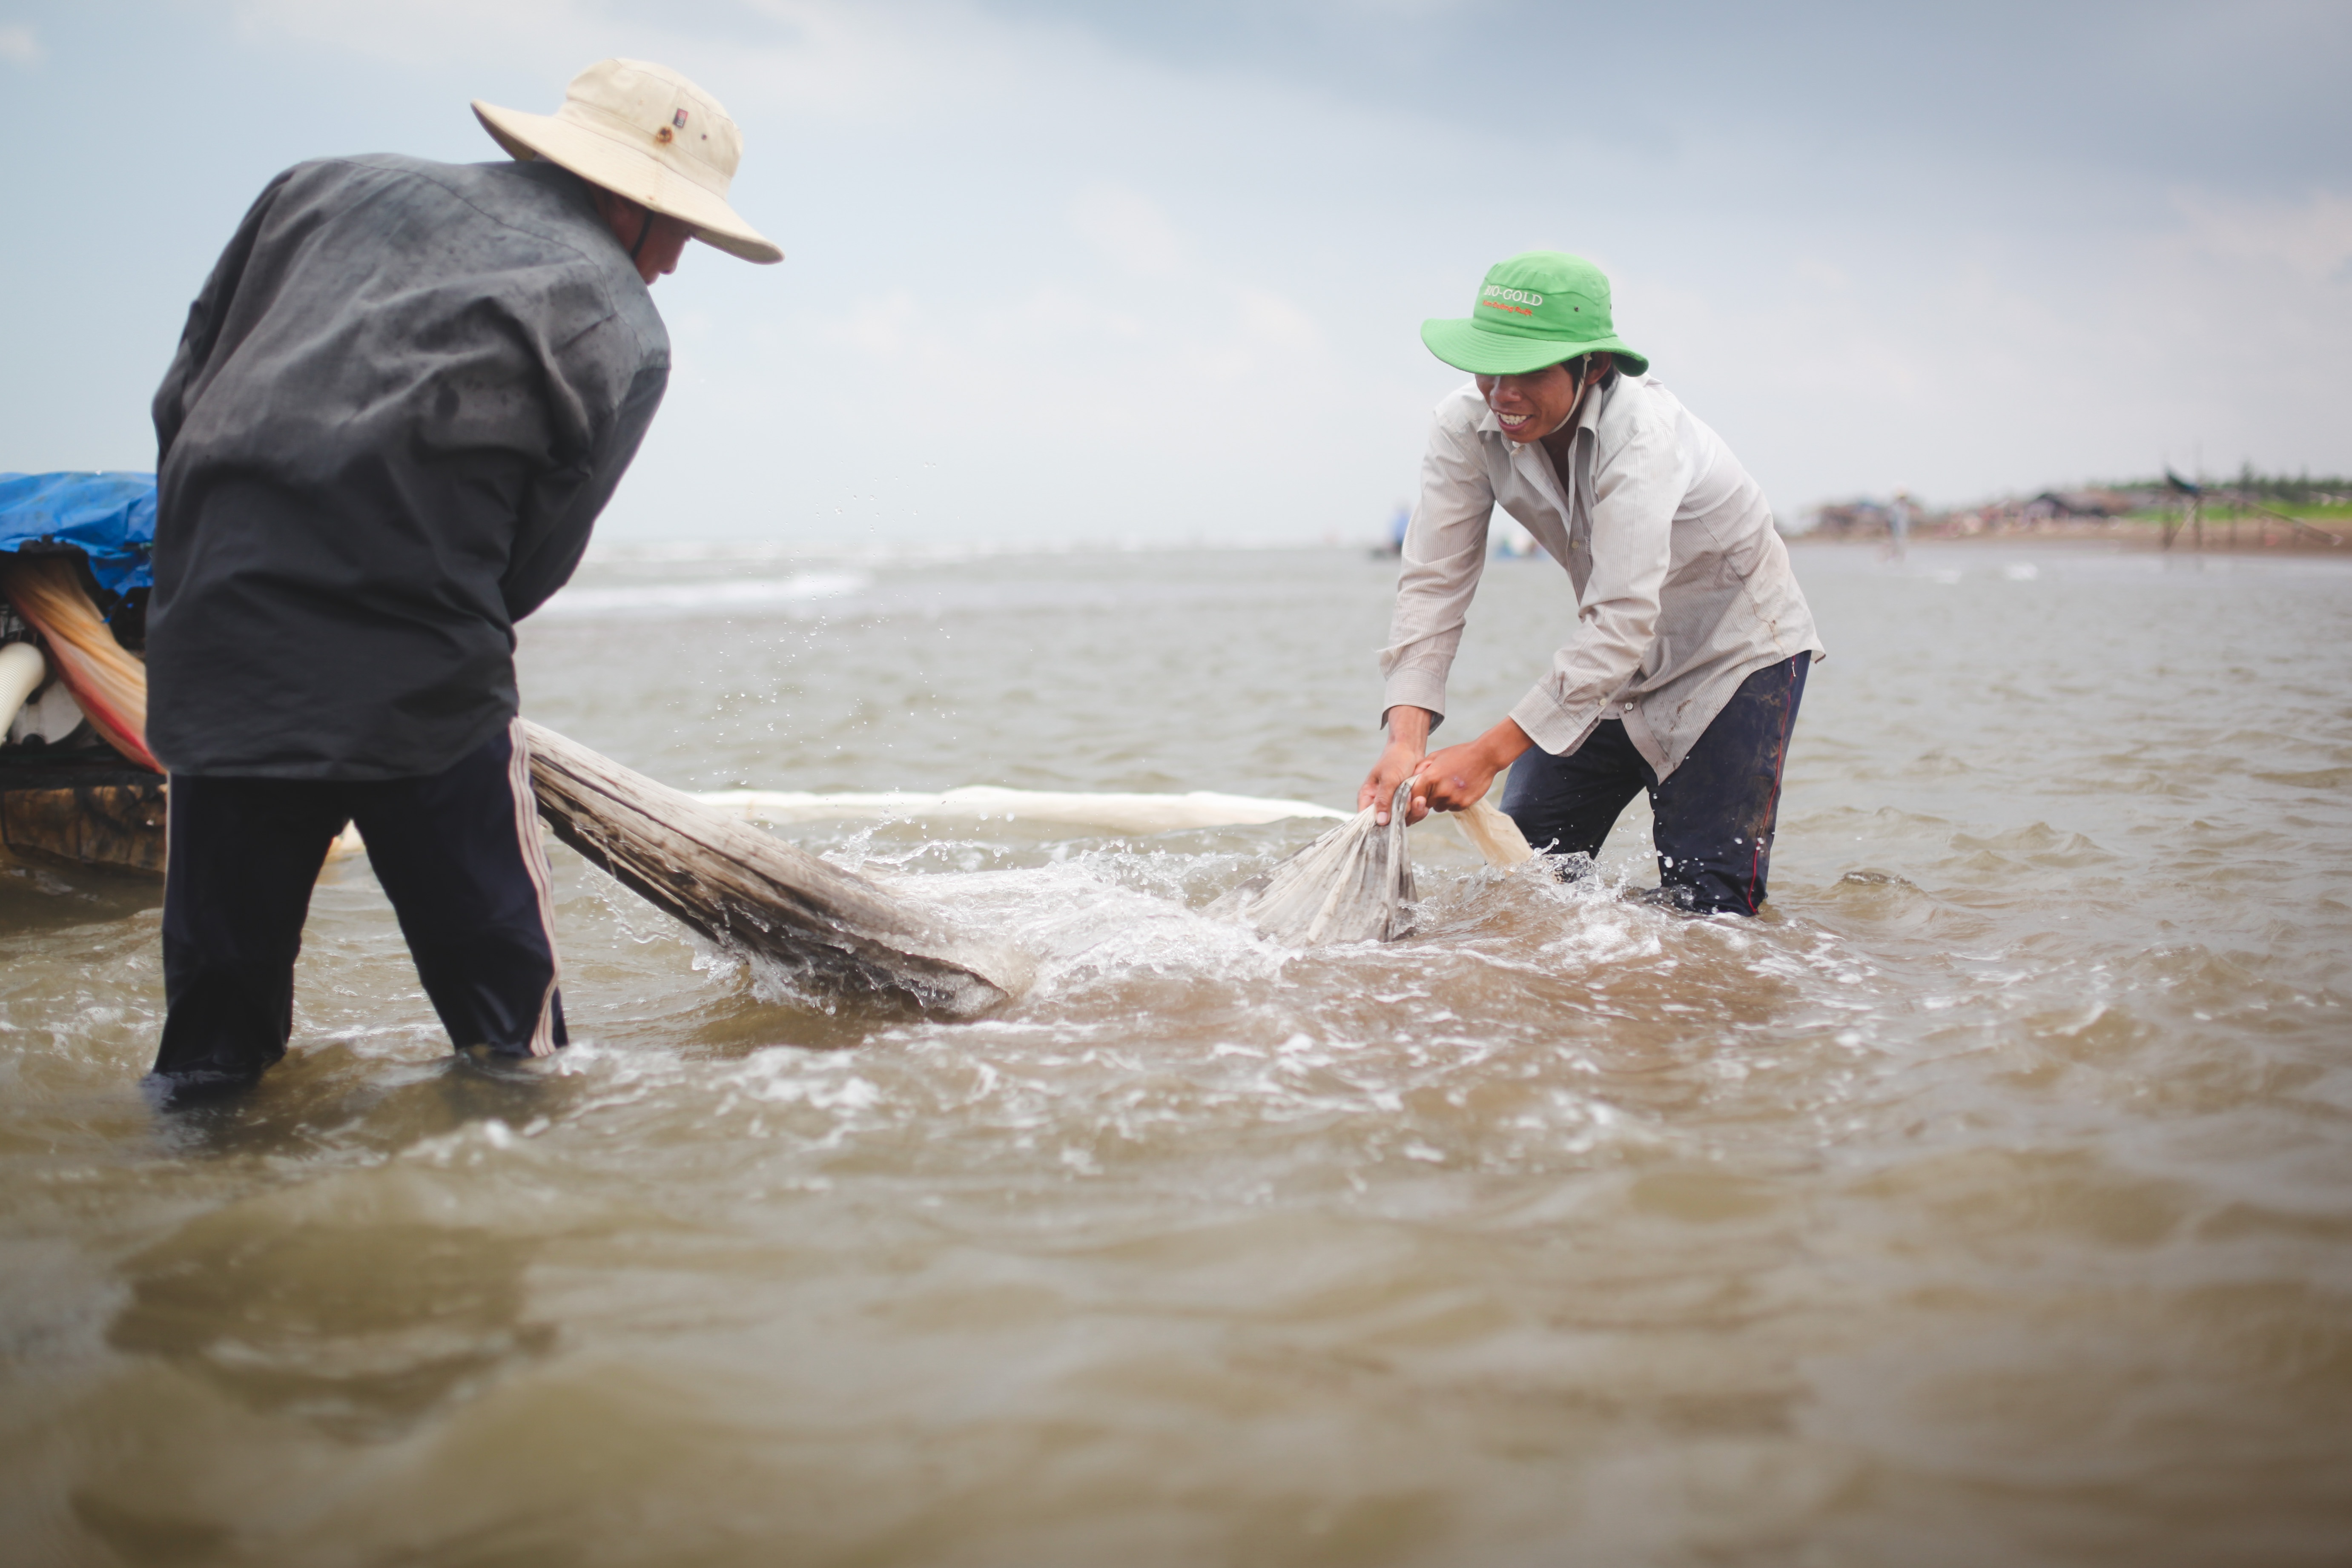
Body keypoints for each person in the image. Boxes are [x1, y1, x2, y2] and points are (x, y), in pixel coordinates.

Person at [143, 59, 781, 1098]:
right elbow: (532, 564)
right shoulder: (619, 322)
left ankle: (196, 1232)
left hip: (217, 641)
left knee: (212, 1040)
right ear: (628, 204)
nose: (674, 263)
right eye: (681, 232)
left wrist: (217, 563)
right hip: (418, 681)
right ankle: (500, 1222)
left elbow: (185, 395)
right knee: (510, 1043)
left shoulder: (315, 188)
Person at [1360, 251, 1824, 915]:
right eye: (1490, 366)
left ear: (1594, 367)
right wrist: (1406, 742)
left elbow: (1622, 619)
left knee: (1712, 911)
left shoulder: (1644, 436)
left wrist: (1487, 755)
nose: (1503, 393)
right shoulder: (1465, 425)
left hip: (1734, 660)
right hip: (1609, 674)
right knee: (1526, 883)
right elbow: (1435, 585)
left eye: (1529, 372)